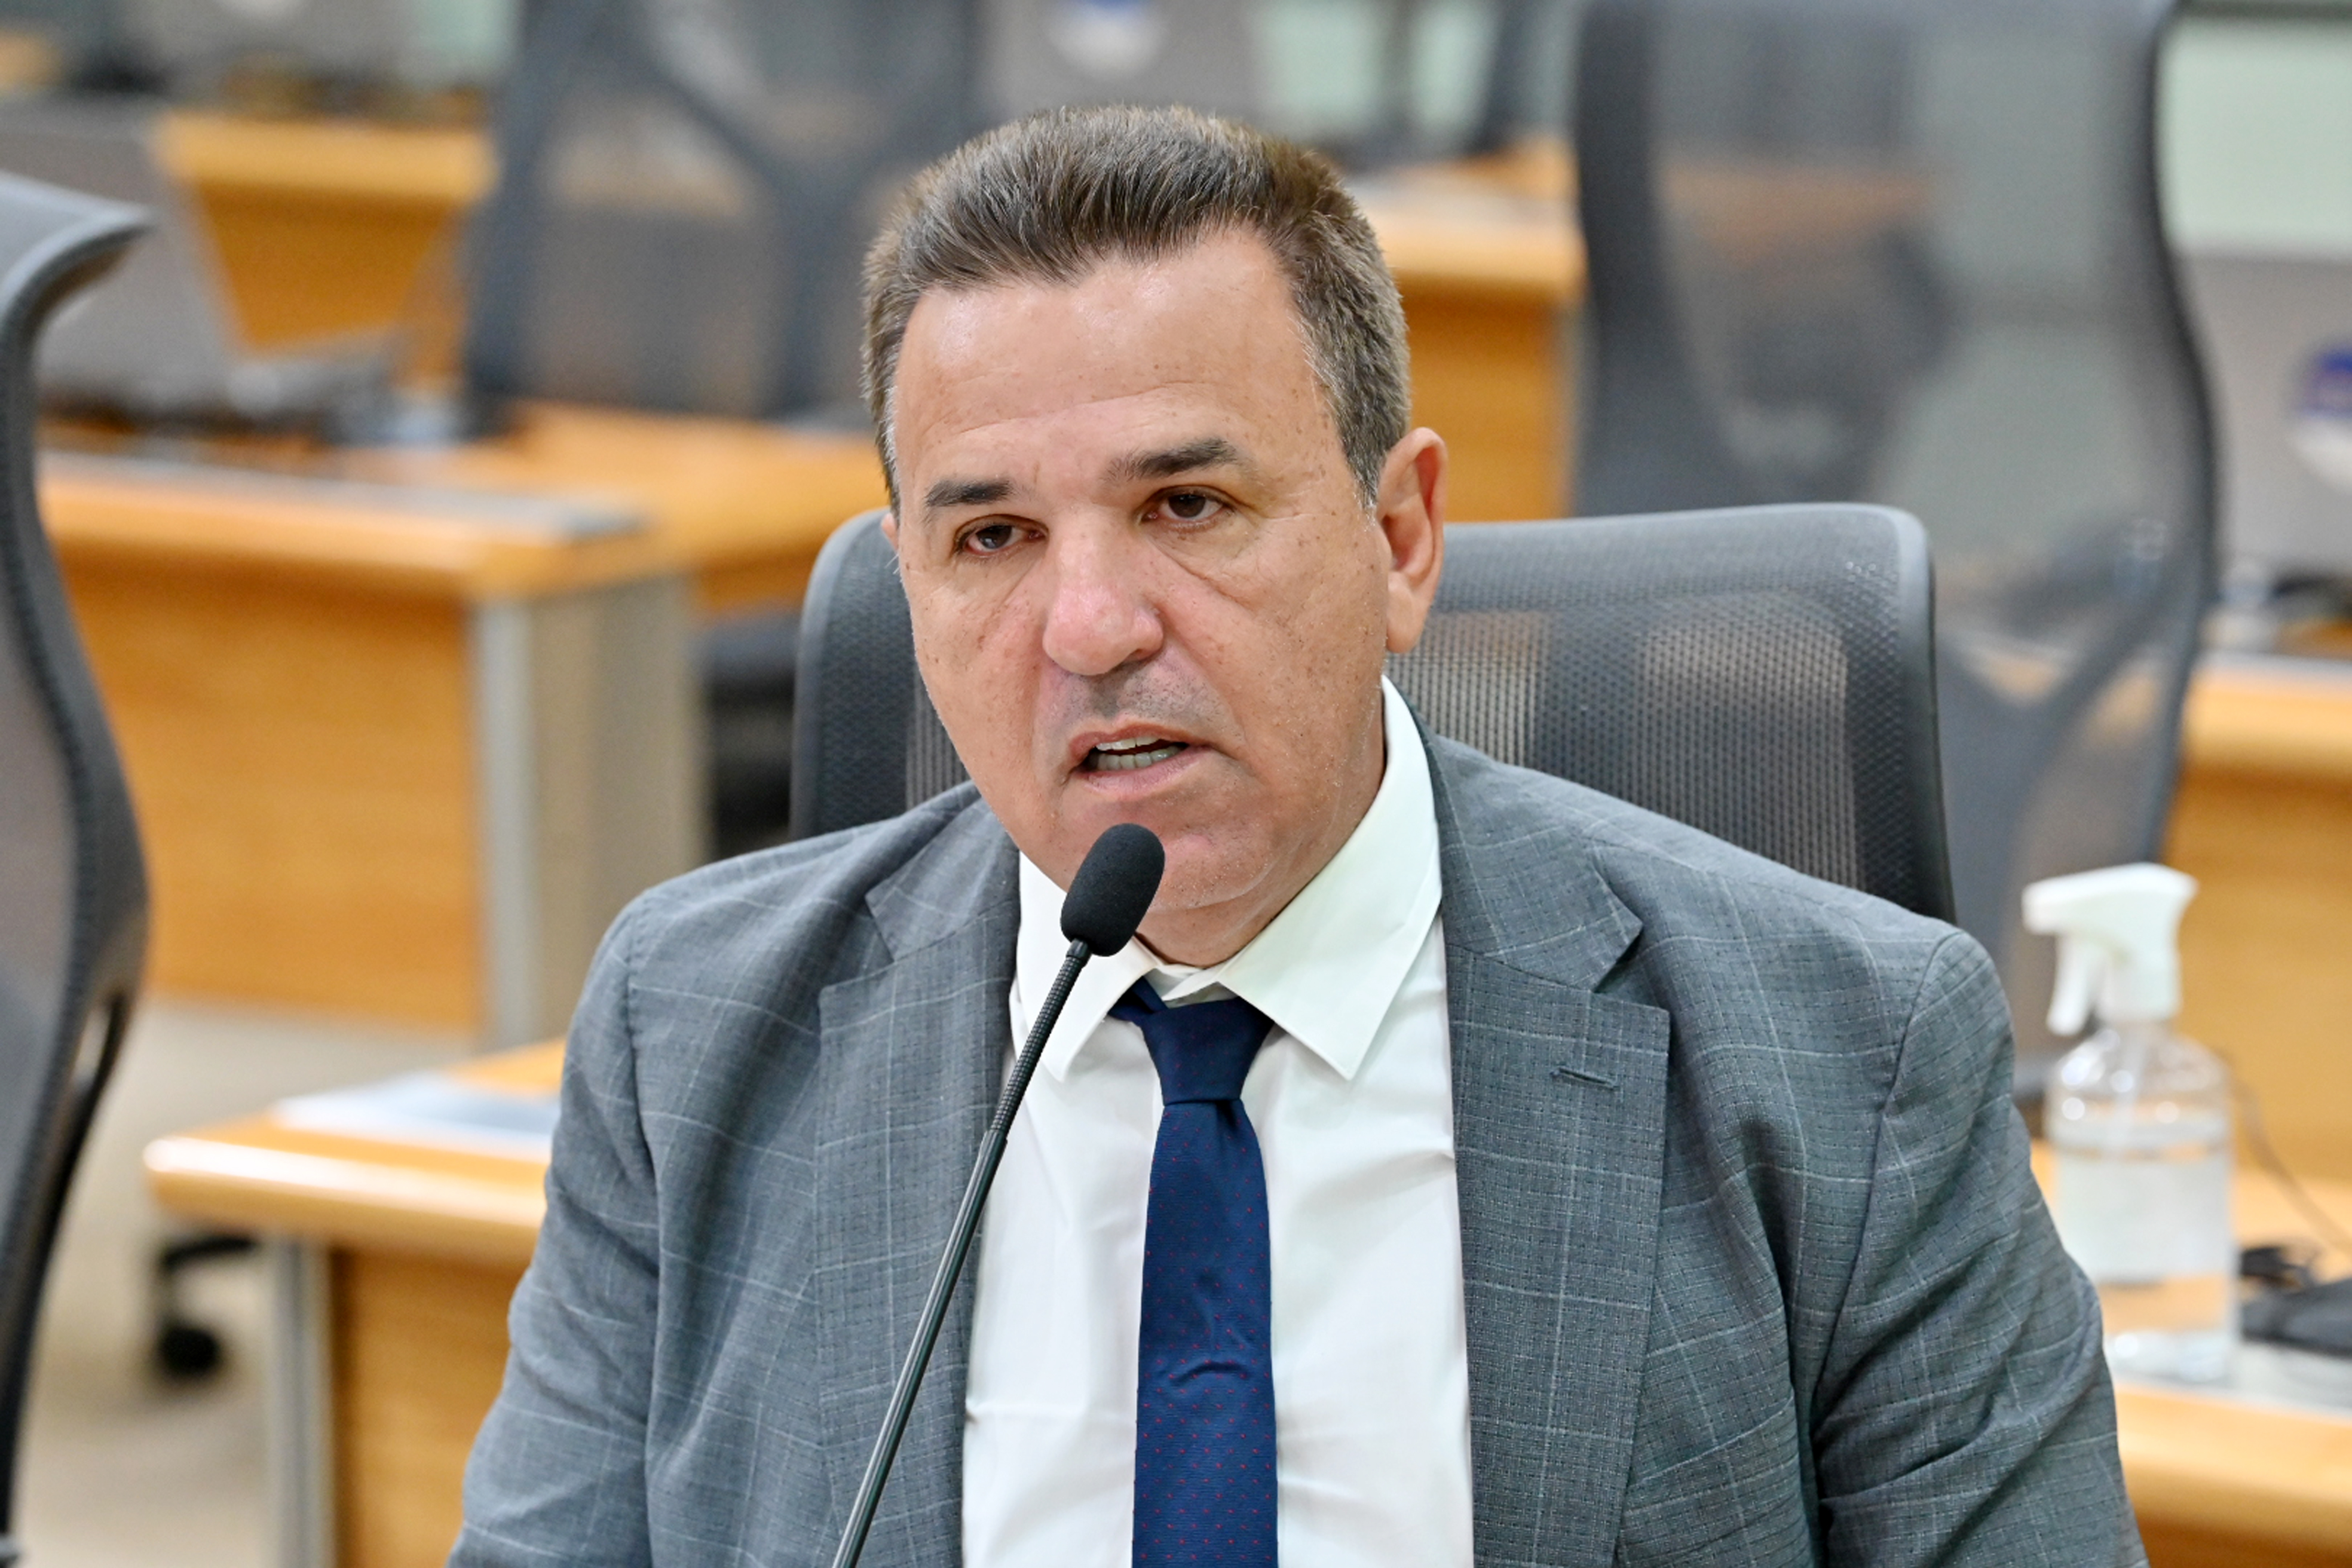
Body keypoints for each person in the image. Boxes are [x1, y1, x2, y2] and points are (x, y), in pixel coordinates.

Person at [452, 106, 2142, 1567]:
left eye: (1188, 507)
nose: (1092, 625)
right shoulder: (695, 1031)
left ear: (1401, 537)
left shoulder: (1848, 1058)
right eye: (992, 538)